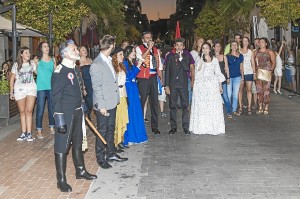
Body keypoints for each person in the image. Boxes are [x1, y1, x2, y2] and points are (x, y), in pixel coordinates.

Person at [51, 40, 97, 192]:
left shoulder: (76, 69)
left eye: (77, 48)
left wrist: (83, 105)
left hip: (77, 111)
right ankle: (61, 180)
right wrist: (59, 120)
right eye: (74, 49)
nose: (77, 51)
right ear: (65, 53)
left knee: (77, 143)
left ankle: (80, 170)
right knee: (62, 146)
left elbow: (79, 91)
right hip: (65, 114)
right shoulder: (60, 71)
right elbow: (55, 98)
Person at [90, 35, 128, 169]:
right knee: (102, 130)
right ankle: (100, 157)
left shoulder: (108, 60)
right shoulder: (97, 64)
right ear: (111, 45)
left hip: (112, 101)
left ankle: (111, 152)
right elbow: (97, 87)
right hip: (103, 104)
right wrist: (101, 106)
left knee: (111, 129)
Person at [189, 42, 225, 135]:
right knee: (203, 106)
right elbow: (197, 71)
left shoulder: (215, 60)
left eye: (206, 48)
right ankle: (202, 126)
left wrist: (220, 86)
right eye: (203, 48)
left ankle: (213, 126)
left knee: (212, 105)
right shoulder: (199, 59)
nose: (205, 50)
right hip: (201, 86)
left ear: (210, 49)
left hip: (212, 85)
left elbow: (218, 73)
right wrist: (201, 60)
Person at [136, 31, 162, 134]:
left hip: (153, 77)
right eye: (147, 38)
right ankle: (140, 125)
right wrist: (149, 48)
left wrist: (160, 77)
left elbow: (159, 64)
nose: (149, 40)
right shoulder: (139, 48)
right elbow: (140, 59)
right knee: (142, 101)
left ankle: (154, 126)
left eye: (150, 38)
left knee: (154, 102)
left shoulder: (156, 50)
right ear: (143, 40)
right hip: (143, 78)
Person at [10, 47, 37, 141]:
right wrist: (11, 92)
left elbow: (38, 73)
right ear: (21, 54)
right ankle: (23, 133)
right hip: (19, 89)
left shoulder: (32, 63)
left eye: (29, 52)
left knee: (29, 111)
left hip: (31, 89)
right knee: (22, 112)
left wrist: (38, 64)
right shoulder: (16, 65)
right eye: (26, 52)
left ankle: (29, 133)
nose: (28, 54)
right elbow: (12, 79)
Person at [165, 38, 191, 135]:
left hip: (183, 84)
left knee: (185, 105)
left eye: (181, 45)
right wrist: (166, 85)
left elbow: (186, 68)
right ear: (175, 46)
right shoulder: (170, 57)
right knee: (172, 106)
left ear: (183, 47)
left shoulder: (186, 56)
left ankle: (185, 126)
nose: (179, 47)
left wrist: (180, 58)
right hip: (173, 84)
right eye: (177, 45)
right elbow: (167, 71)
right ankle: (173, 127)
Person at [123, 46, 148, 145]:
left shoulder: (131, 62)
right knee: (130, 111)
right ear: (128, 53)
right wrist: (139, 66)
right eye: (132, 51)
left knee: (136, 110)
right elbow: (129, 76)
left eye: (134, 51)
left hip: (133, 87)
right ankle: (130, 137)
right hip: (128, 87)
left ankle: (137, 135)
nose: (134, 53)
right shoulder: (125, 63)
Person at [35, 42, 56, 139]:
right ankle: (39, 130)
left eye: (48, 46)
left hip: (51, 87)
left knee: (52, 109)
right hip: (41, 88)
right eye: (44, 46)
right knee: (40, 110)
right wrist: (35, 64)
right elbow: (36, 72)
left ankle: (52, 127)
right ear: (41, 49)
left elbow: (55, 73)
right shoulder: (37, 60)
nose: (47, 48)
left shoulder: (53, 59)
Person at [111, 47, 129, 151]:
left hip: (123, 94)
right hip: (116, 95)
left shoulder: (122, 66)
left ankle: (120, 139)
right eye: (120, 55)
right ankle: (115, 142)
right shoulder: (113, 67)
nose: (122, 56)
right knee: (117, 119)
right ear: (115, 56)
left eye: (123, 54)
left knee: (122, 117)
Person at [254, 37, 276, 115]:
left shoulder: (270, 52)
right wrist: (255, 72)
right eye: (259, 42)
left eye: (262, 42)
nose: (260, 43)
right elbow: (253, 63)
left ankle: (266, 106)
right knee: (259, 90)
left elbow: (273, 63)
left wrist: (270, 71)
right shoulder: (256, 52)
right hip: (259, 73)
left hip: (267, 73)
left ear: (266, 43)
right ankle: (260, 106)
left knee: (266, 90)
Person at [224, 41, 244, 116]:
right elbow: (226, 67)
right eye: (233, 45)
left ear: (237, 46)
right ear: (231, 47)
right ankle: (229, 110)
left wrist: (242, 78)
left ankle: (234, 109)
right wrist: (228, 77)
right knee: (229, 94)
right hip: (230, 76)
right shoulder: (227, 56)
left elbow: (241, 67)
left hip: (238, 76)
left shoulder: (241, 56)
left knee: (235, 94)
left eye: (236, 45)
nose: (234, 46)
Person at [214, 42, 231, 118]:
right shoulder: (211, 57)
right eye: (216, 46)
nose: (217, 48)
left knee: (225, 96)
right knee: (214, 97)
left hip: (222, 78)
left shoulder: (224, 56)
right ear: (213, 47)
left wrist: (228, 77)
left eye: (219, 46)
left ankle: (228, 112)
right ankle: (215, 113)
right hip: (214, 80)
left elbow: (226, 68)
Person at [239, 37, 256, 115]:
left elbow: (252, 62)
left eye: (246, 41)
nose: (245, 42)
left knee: (249, 90)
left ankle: (249, 106)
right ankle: (240, 106)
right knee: (240, 90)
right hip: (240, 73)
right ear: (242, 42)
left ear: (248, 42)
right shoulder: (239, 51)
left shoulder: (250, 52)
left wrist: (254, 73)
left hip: (249, 72)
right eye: (243, 41)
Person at [78, 46, 93, 119]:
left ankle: (88, 115)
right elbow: (79, 76)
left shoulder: (90, 60)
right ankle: (87, 117)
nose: (85, 51)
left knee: (91, 102)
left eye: (85, 49)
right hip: (84, 83)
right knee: (86, 101)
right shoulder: (78, 62)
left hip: (91, 83)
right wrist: (83, 87)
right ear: (79, 53)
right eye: (83, 50)